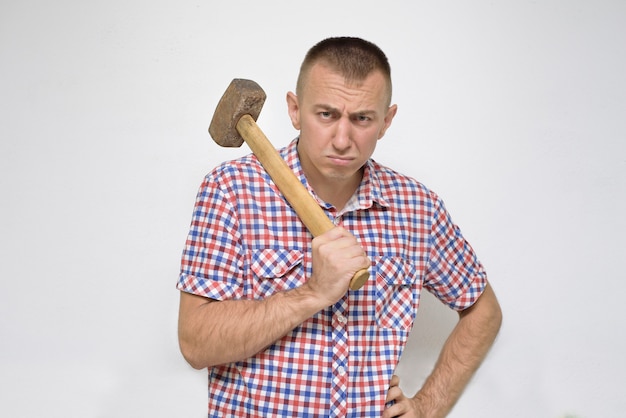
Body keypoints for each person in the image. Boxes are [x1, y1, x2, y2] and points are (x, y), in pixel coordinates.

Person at [177, 36, 502, 417]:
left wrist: (428, 407)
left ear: (386, 121)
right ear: (295, 110)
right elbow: (195, 344)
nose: (343, 140)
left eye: (362, 118)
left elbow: (483, 311)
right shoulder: (231, 190)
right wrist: (313, 292)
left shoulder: (417, 209)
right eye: (326, 115)